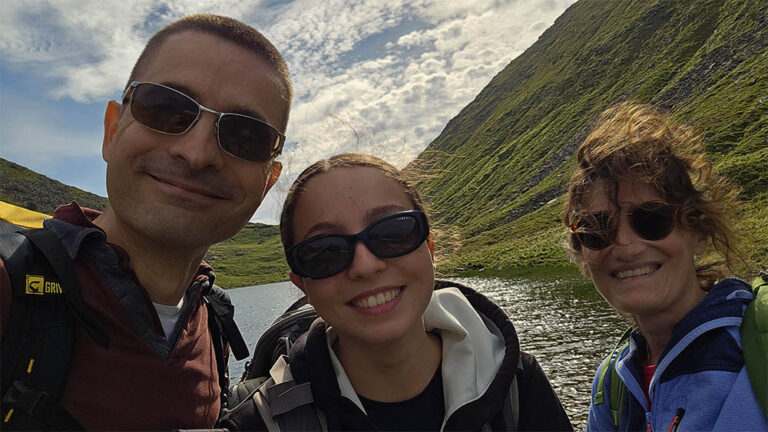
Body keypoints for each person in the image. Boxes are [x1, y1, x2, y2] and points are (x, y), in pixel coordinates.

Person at [0, 14, 291, 430]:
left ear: (267, 183)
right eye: (167, 109)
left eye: (246, 136)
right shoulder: (9, 284)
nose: (196, 153)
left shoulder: (212, 320)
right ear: (112, 130)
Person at [220, 153, 573, 431]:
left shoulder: (519, 387)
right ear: (302, 285)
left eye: (393, 231)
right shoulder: (260, 423)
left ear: (430, 250)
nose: (365, 265)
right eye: (325, 251)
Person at [563, 102, 766, 431]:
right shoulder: (611, 384)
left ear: (698, 233)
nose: (626, 246)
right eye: (597, 229)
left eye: (651, 219)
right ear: (583, 253)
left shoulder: (760, 352)